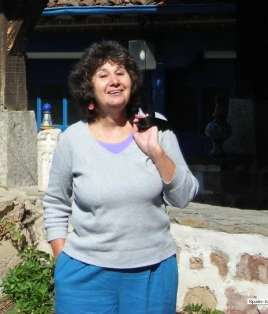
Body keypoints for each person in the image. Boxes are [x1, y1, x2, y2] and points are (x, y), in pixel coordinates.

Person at [43, 40, 199, 314]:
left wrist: (156, 152)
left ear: (132, 81)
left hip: (151, 273)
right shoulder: (72, 140)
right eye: (103, 75)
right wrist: (62, 260)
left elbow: (184, 197)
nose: (114, 81)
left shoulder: (157, 131)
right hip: (84, 275)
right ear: (89, 87)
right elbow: (55, 202)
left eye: (121, 73)